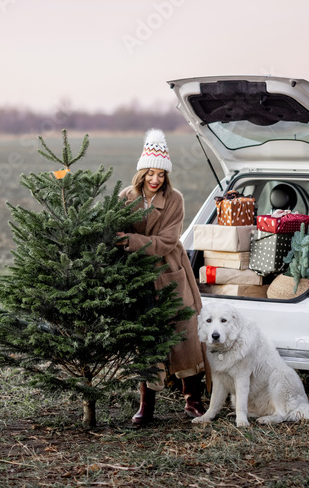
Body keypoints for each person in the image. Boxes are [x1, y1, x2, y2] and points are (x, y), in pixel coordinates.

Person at [116, 129, 208, 424]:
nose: (155, 180)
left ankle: (192, 400)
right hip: (139, 277)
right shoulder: (125, 197)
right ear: (141, 173)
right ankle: (147, 405)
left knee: (185, 334)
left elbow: (167, 241)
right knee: (148, 338)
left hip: (170, 270)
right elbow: (112, 235)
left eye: (161, 175)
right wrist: (125, 241)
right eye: (150, 173)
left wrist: (130, 240)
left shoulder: (175, 200)